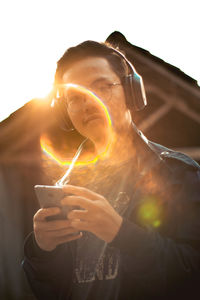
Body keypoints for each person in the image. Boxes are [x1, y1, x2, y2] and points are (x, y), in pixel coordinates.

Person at [22, 41, 200, 300]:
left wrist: (120, 232)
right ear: (66, 112)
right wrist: (41, 251)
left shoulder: (179, 174)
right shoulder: (63, 189)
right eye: (75, 97)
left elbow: (192, 272)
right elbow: (52, 291)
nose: (89, 103)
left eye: (102, 87)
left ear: (132, 92)